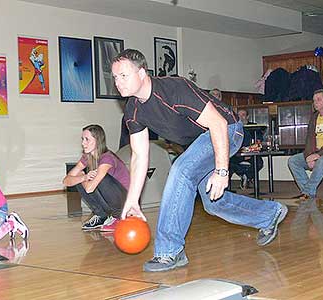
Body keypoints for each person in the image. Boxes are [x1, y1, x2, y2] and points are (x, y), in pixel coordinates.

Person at [111, 49, 287, 272]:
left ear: (143, 73)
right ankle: (269, 214)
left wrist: (222, 172)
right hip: (199, 144)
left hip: (228, 130)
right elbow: (139, 155)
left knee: (181, 170)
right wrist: (133, 200)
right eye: (115, 77)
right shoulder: (133, 111)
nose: (118, 82)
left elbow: (218, 124)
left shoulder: (174, 89)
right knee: (215, 203)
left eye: (124, 75)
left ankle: (169, 251)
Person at [63, 124, 129, 231]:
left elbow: (90, 188)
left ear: (97, 140)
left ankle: (119, 217)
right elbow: (66, 181)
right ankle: (101, 215)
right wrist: (83, 178)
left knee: (99, 178)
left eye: (87, 139)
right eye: (82, 139)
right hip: (111, 201)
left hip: (125, 202)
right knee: (79, 176)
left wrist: (84, 178)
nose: (83, 143)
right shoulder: (87, 157)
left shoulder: (107, 158)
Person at [288, 89, 323, 200]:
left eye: (318, 100)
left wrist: (318, 155)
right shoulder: (314, 117)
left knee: (322, 161)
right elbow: (309, 140)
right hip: (316, 152)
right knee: (293, 161)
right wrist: (308, 156)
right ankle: (308, 192)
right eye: (314, 100)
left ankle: (307, 192)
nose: (315, 103)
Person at [230, 109, 264, 189]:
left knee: (259, 163)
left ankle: (247, 176)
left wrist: (250, 151)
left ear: (247, 117)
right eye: (239, 115)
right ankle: (244, 174)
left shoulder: (254, 126)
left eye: (243, 115)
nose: (241, 117)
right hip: (236, 154)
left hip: (251, 153)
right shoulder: (233, 127)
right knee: (229, 162)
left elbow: (259, 141)